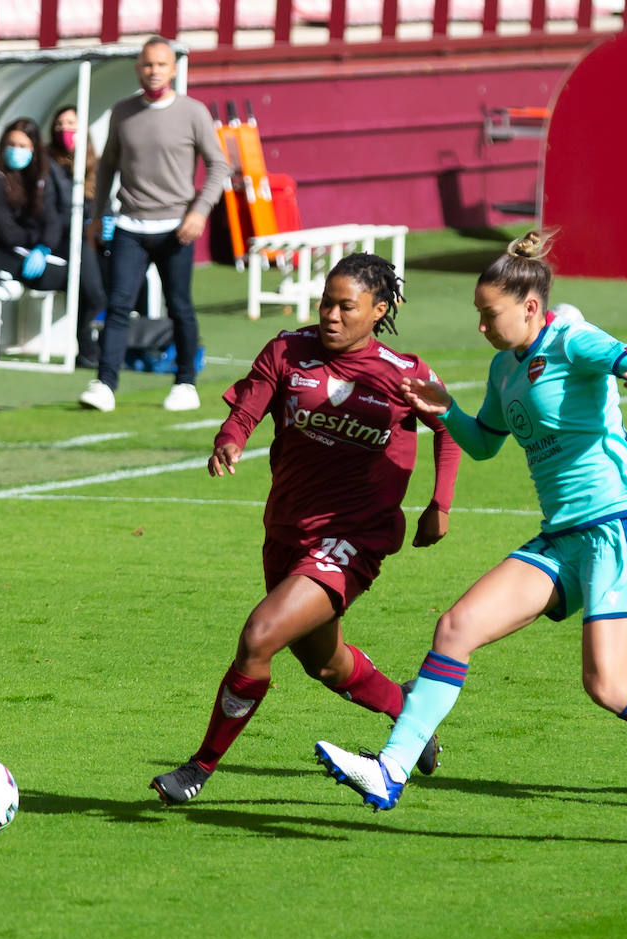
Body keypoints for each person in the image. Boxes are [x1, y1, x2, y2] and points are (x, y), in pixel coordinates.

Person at [315, 232, 627, 853]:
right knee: (456, 628)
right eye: (477, 314)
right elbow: (486, 443)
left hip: (617, 525)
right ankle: (390, 771)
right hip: (562, 536)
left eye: (488, 314)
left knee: (608, 683)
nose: (480, 326)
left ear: (529, 306)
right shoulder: (505, 368)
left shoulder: (573, 341)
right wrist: (443, 410)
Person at [150, 253, 460, 806]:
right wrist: (231, 437)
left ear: (379, 310)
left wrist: (440, 503)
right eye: (326, 302)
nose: (332, 316)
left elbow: (451, 426)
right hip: (288, 530)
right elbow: (250, 404)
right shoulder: (288, 350)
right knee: (323, 661)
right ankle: (408, 711)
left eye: (347, 306)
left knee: (260, 636)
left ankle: (199, 767)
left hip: (355, 537)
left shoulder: (401, 371)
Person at [78, 36, 229, 414]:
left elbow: (218, 166)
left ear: (174, 69)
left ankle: (185, 383)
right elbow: (108, 165)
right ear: (138, 68)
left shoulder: (193, 112)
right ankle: (105, 383)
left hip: (177, 227)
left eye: (162, 64)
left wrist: (199, 211)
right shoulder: (123, 112)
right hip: (130, 224)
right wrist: (98, 216)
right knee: (118, 306)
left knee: (180, 306)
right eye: (148, 64)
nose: (154, 71)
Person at [0, 115, 102, 364]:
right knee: (72, 278)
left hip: (28, 250)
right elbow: (7, 234)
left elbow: (52, 219)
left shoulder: (36, 180)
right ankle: (87, 349)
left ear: (33, 149)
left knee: (87, 282)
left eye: (23, 147)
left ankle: (88, 349)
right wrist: (36, 238)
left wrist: (43, 246)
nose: (16, 152)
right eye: (12, 145)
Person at [45, 105, 106, 369]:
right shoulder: (48, 163)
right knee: (93, 293)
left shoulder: (95, 164)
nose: (64, 129)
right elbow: (57, 207)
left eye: (71, 124)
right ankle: (87, 347)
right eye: (60, 124)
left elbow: (102, 202)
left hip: (90, 237)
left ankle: (99, 348)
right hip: (63, 238)